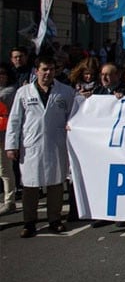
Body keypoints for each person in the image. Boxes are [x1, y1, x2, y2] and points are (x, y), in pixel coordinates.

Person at [4, 56, 77, 238]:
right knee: (30, 185)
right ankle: (29, 222)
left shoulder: (66, 92)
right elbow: (14, 121)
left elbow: (74, 116)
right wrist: (11, 145)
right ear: (36, 71)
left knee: (56, 183)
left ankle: (54, 219)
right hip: (31, 145)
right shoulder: (23, 92)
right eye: (44, 69)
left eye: (51, 69)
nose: (48, 73)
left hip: (56, 143)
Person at [0, 64, 17, 215]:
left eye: (2, 73)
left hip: (3, 135)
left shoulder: (10, 92)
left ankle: (9, 200)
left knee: (4, 170)